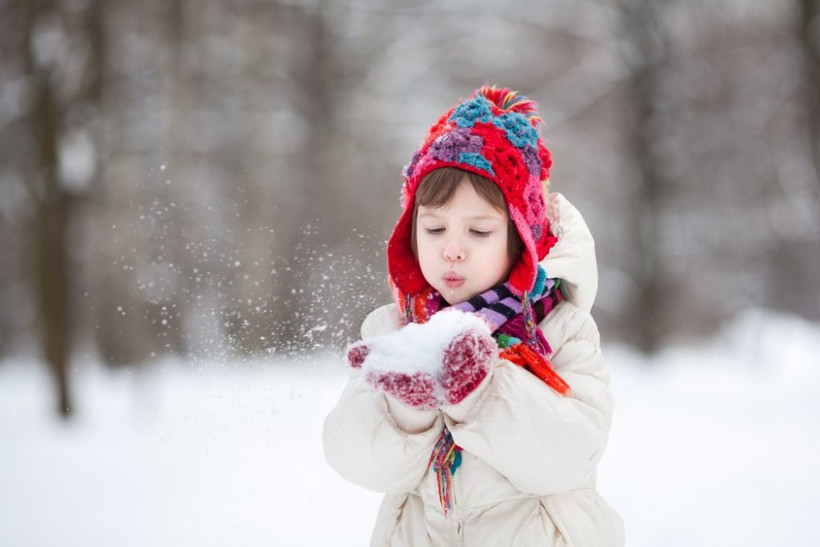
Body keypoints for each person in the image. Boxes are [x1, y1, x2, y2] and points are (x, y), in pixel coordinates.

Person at [323, 85, 624, 546]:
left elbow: (568, 458)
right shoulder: (396, 332)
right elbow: (358, 461)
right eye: (435, 228)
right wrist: (409, 405)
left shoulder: (561, 331)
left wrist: (480, 390)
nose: (453, 249)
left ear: (520, 238)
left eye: (479, 231)